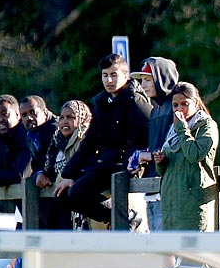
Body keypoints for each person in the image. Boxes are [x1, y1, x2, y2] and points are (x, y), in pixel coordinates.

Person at [54, 54, 152, 226]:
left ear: (125, 76)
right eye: (105, 75)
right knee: (63, 194)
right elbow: (90, 142)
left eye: (114, 75)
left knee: (77, 193)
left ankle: (124, 218)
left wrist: (131, 166)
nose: (109, 80)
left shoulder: (135, 101)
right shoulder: (101, 103)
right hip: (106, 162)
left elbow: (146, 138)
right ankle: (120, 218)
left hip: (129, 165)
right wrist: (69, 174)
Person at [153, 82, 220, 232]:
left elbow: (194, 155)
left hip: (193, 203)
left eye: (185, 104)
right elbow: (165, 170)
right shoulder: (173, 129)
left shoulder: (206, 126)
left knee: (195, 253)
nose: (179, 109)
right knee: (170, 252)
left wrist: (182, 128)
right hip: (171, 203)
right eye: (175, 105)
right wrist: (161, 161)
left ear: (196, 103)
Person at [131, 57, 181, 231]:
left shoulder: (176, 106)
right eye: (141, 80)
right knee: (159, 250)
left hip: (171, 189)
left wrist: (149, 155)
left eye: (148, 79)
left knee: (169, 248)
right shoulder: (155, 110)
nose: (143, 85)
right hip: (152, 188)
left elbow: (175, 148)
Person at [34, 99, 92, 230]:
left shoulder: (86, 140)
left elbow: (89, 168)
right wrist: (42, 174)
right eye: (62, 118)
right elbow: (47, 168)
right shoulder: (56, 141)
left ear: (81, 118)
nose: (65, 121)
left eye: (70, 117)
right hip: (60, 205)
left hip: (80, 203)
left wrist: (73, 178)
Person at [18, 95, 58, 173]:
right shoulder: (32, 133)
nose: (28, 118)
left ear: (45, 112)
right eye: (24, 115)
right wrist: (39, 173)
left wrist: (43, 174)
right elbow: (36, 163)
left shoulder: (56, 129)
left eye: (32, 112)